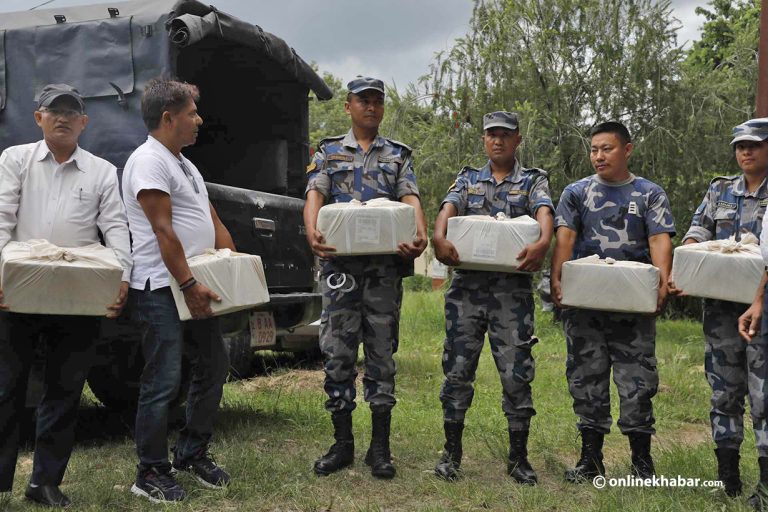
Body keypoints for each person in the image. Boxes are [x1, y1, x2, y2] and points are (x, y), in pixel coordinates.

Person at [0, 84, 132, 508]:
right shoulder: (15, 160)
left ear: (84, 122)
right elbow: (1, 217)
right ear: (38, 117)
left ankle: (45, 483)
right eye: (52, 111)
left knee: (65, 388)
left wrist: (122, 277)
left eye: (71, 112)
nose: (62, 118)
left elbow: (114, 227)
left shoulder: (100, 171)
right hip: (17, 292)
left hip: (78, 296)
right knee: (5, 387)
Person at [303, 76, 427, 479]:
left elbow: (411, 199)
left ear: (383, 108)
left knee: (380, 354)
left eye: (377, 101)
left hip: (382, 272)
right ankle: (342, 444)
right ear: (348, 106)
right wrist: (311, 231)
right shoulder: (329, 151)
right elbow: (315, 196)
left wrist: (419, 234)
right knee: (337, 354)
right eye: (363, 101)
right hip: (340, 270)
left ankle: (380, 448)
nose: (370, 107)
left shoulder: (398, 155)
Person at [122, 78, 235, 503]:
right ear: (168, 118)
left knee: (214, 364)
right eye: (192, 112)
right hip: (161, 287)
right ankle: (150, 472)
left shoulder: (184, 163)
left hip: (195, 283)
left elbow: (210, 216)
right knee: (163, 379)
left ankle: (191, 453)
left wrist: (232, 263)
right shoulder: (149, 162)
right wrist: (187, 284)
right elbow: (163, 230)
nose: (199, 119)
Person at [430, 111, 553, 484]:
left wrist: (543, 243)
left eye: (505, 135)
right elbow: (448, 208)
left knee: (517, 374)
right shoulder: (468, 177)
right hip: (466, 291)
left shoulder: (532, 180)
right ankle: (451, 454)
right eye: (491, 135)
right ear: (484, 140)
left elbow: (544, 212)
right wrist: (439, 237)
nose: (497, 141)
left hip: (511, 295)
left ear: (517, 140)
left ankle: (518, 459)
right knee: (457, 371)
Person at [550, 121, 675, 482]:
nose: (599, 156)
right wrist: (557, 279)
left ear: (627, 149)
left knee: (637, 382)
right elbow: (565, 238)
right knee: (586, 381)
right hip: (585, 307)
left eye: (607, 148)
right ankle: (591, 460)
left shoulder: (648, 194)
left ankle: (642, 463)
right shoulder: (576, 192)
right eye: (594, 149)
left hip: (632, 307)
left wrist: (662, 283)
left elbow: (660, 240)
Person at [709, 118, 768, 510]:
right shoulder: (720, 189)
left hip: (764, 311)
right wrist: (690, 260)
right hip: (720, 309)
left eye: (754, 145)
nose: (745, 152)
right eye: (739, 146)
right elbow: (698, 230)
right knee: (724, 391)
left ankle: (765, 483)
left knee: (764, 396)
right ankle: (727, 477)